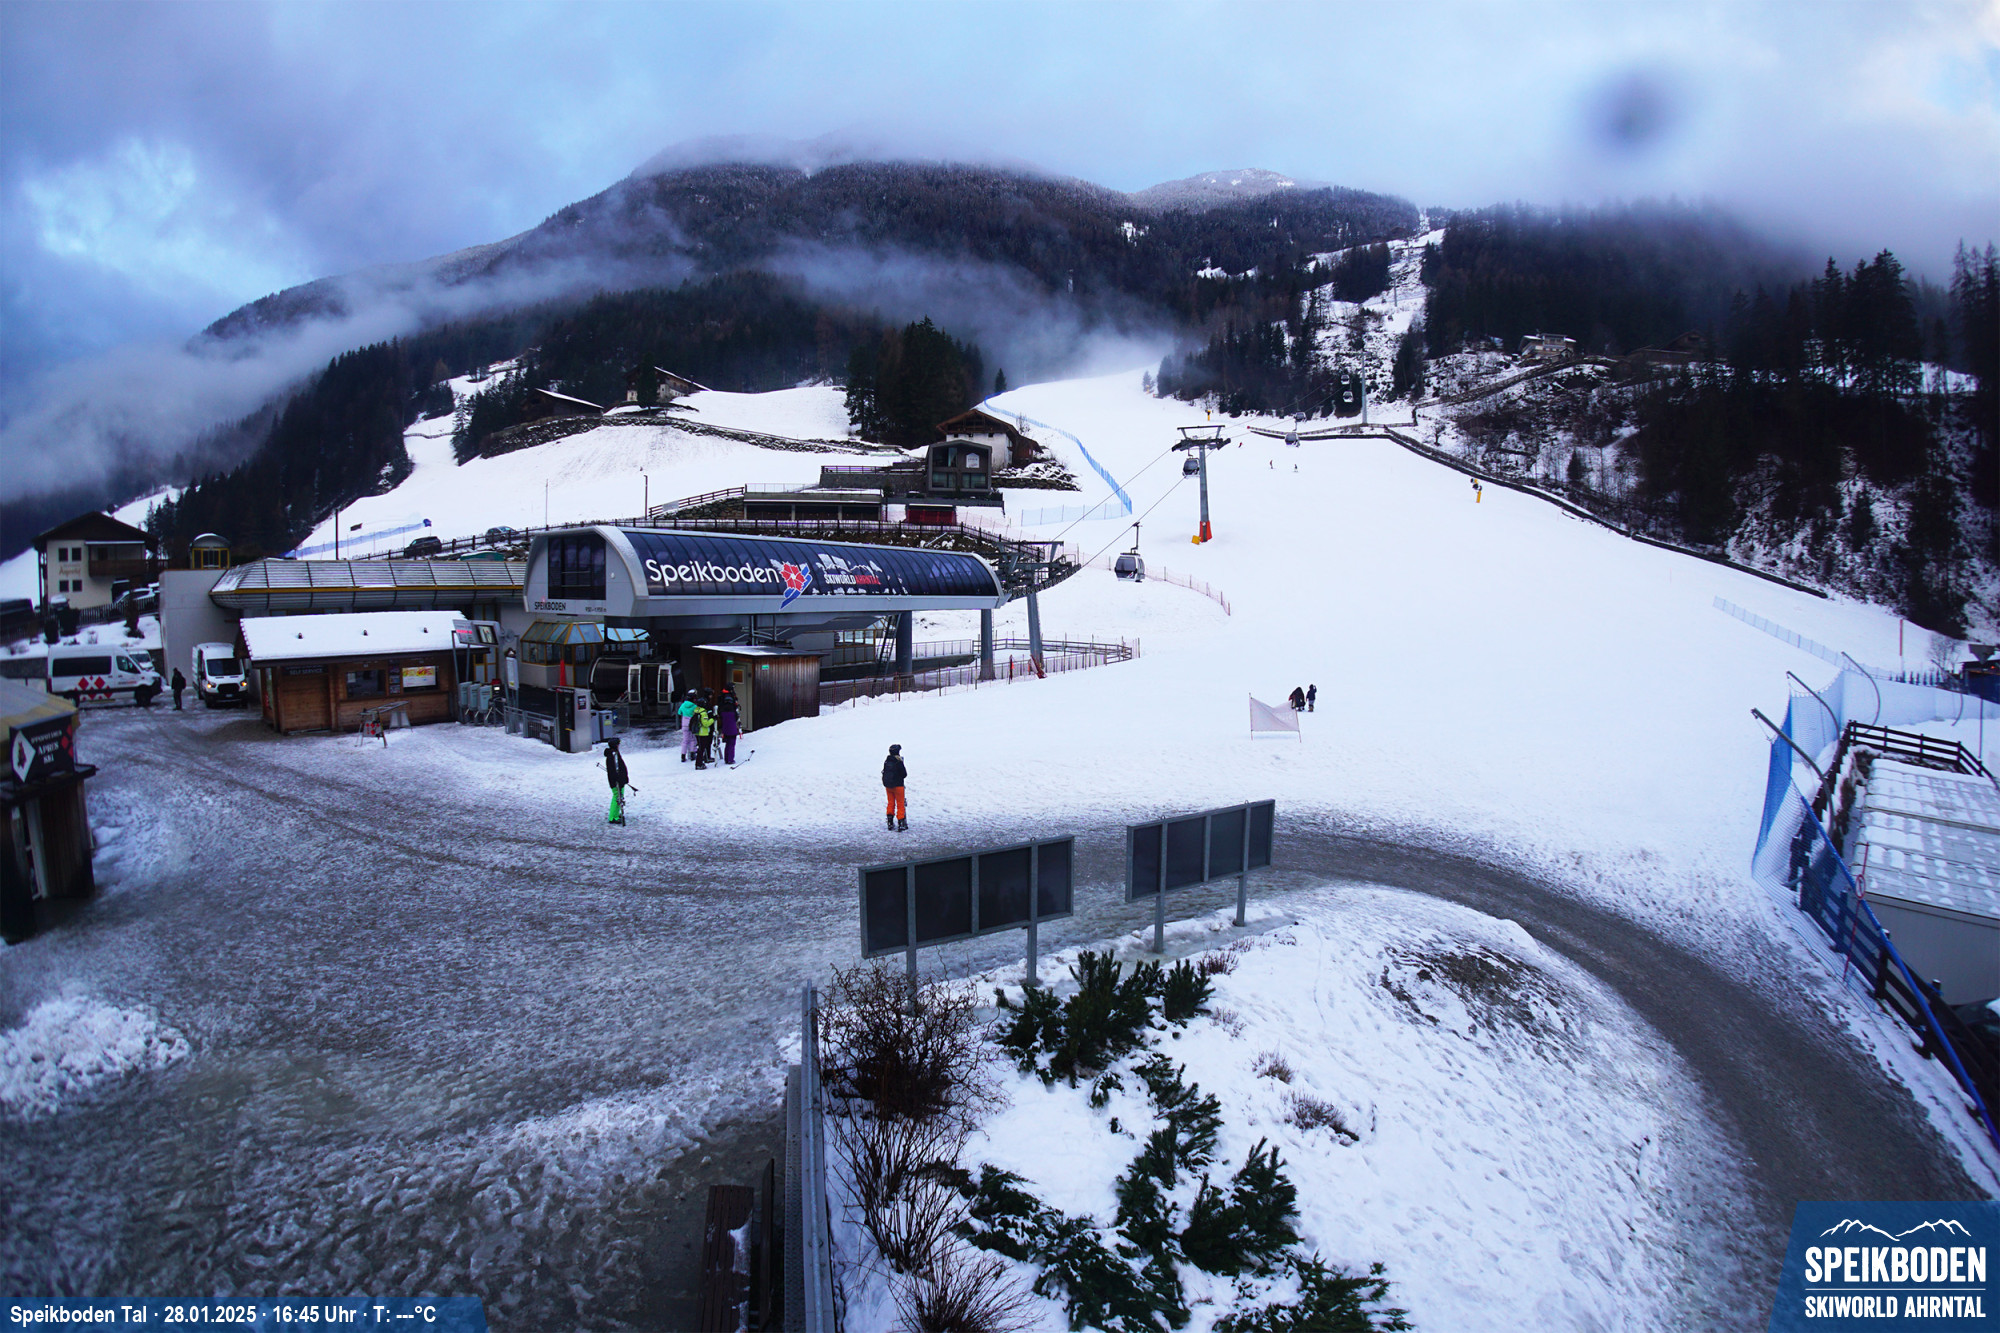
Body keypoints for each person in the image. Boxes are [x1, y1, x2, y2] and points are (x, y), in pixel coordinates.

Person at [604, 736, 633, 825]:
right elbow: (616, 770)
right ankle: (613, 817)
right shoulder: (613, 755)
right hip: (617, 781)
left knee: (619, 797)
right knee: (617, 797)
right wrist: (620, 780)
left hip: (619, 780)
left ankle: (615, 813)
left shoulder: (614, 754)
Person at [882, 743, 907, 831]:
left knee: (890, 803)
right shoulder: (898, 762)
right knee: (900, 804)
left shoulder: (887, 761)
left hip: (888, 786)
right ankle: (901, 823)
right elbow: (904, 774)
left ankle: (890, 822)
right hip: (898, 786)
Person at [718, 688, 740, 765]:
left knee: (727, 744)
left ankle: (726, 758)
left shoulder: (722, 710)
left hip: (725, 729)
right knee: (732, 744)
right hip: (732, 729)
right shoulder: (733, 710)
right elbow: (736, 718)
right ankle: (730, 759)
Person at [693, 699, 717, 769]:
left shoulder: (696, 710)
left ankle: (699, 762)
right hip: (703, 732)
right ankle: (699, 764)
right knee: (702, 749)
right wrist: (712, 719)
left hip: (697, 732)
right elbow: (705, 724)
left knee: (700, 748)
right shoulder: (703, 713)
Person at [678, 690, 700, 762]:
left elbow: (679, 712)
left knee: (685, 740)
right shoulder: (694, 706)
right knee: (692, 739)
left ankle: (683, 756)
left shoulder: (683, 705)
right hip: (691, 724)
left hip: (684, 724)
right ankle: (692, 754)